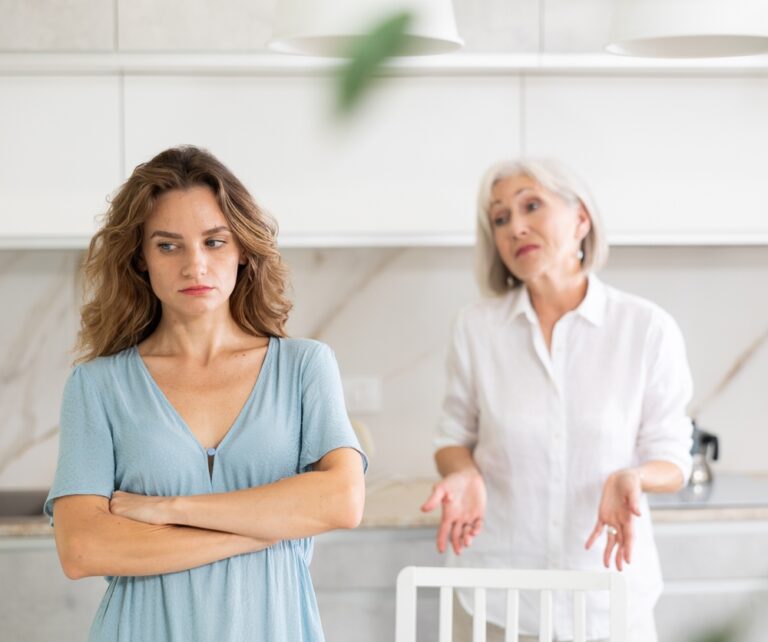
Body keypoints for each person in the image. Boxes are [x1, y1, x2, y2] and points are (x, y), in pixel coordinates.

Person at [45, 145, 367, 642]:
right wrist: (267, 525)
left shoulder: (305, 367)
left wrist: (168, 510)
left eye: (214, 242)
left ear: (242, 249)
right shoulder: (97, 386)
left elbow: (342, 501)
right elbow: (83, 548)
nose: (195, 266)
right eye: (168, 246)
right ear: (140, 260)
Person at [421, 159, 693, 642]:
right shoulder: (477, 328)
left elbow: (672, 457)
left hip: (608, 601)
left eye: (532, 206)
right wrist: (461, 471)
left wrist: (635, 475)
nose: (515, 227)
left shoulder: (645, 328)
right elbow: (452, 436)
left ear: (581, 219)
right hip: (499, 599)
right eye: (500, 218)